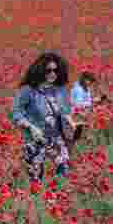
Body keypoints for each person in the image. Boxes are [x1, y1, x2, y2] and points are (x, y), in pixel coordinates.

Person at [11, 52, 81, 183]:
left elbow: (66, 112)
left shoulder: (60, 91)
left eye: (56, 70)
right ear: (40, 70)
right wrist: (31, 128)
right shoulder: (28, 91)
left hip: (57, 138)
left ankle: (58, 197)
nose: (52, 73)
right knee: (36, 177)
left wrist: (73, 125)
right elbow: (16, 113)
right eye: (48, 70)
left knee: (63, 171)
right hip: (36, 139)